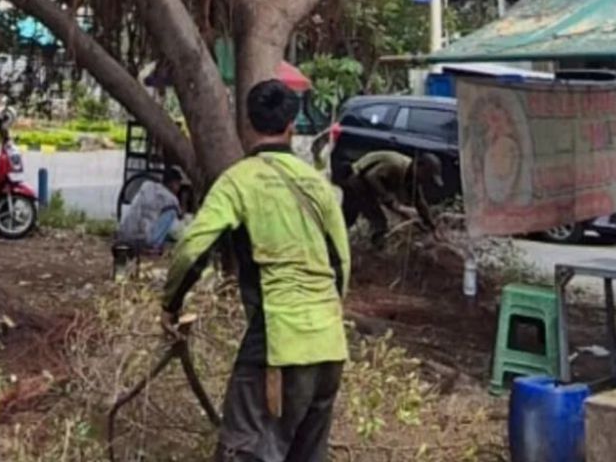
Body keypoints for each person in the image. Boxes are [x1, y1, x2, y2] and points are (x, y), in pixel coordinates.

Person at [162, 81, 351, 462]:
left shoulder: (238, 181)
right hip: (329, 345)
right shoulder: (317, 184)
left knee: (244, 451)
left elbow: (193, 248)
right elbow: (342, 265)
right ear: (292, 125)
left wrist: (171, 304)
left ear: (247, 125)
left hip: (278, 342)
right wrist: (322, 314)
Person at [339, 150, 444, 246]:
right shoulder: (396, 166)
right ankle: (374, 253)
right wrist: (390, 199)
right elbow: (371, 176)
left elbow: (419, 201)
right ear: (418, 166)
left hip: (366, 185)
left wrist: (430, 225)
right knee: (378, 222)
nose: (426, 180)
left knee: (350, 218)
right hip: (356, 180)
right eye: (427, 175)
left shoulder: (413, 176)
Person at [117, 167, 185, 252]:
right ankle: (154, 245)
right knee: (171, 213)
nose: (179, 188)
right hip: (144, 239)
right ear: (173, 183)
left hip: (125, 233)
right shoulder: (171, 199)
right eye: (178, 184)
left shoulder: (147, 185)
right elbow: (180, 218)